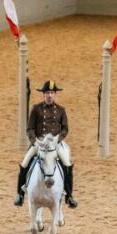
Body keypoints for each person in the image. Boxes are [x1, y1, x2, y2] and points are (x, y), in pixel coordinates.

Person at [13, 80, 78, 209]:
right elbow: (30, 129)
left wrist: (58, 139)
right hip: (39, 143)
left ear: (55, 94)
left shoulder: (60, 110)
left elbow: (65, 129)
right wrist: (34, 141)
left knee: (67, 164)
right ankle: (20, 194)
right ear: (43, 94)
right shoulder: (36, 109)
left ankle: (69, 195)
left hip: (54, 144)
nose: (49, 95)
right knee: (25, 163)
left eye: (52, 93)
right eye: (47, 92)